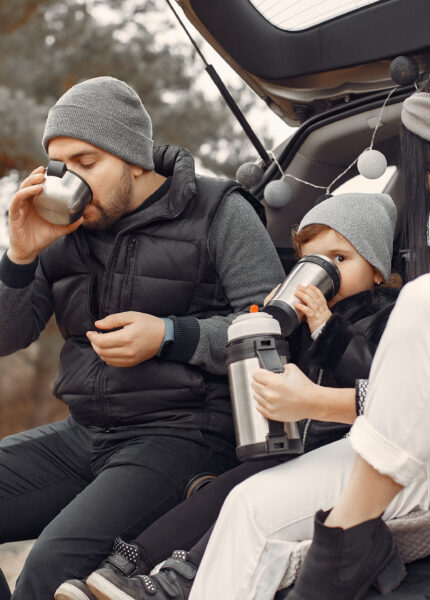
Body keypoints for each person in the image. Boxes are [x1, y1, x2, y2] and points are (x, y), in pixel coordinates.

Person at [177, 58, 430, 600]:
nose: (427, 183)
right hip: (429, 448)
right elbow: (418, 394)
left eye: (428, 165)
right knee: (249, 507)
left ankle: (345, 538)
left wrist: (316, 401)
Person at [0, 76, 287, 600]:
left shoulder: (220, 210)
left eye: (87, 162)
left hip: (185, 434)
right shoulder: (60, 230)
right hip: (86, 433)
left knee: (50, 564)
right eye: (61, 165)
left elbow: (274, 328)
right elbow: (7, 334)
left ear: (133, 157)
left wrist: (170, 336)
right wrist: (19, 257)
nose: (72, 179)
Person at [56, 192, 401, 600]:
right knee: (217, 491)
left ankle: (177, 579)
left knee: (243, 497)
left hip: (339, 450)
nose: (326, 272)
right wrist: (269, 325)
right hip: (288, 445)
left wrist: (328, 328)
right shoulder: (303, 318)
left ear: (377, 270)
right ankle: (127, 565)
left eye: (340, 259)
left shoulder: (388, 313)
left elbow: (375, 380)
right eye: (310, 261)